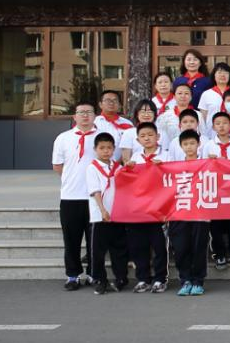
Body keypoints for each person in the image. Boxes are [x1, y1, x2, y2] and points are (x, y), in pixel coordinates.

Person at [52, 102, 99, 290]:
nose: (85, 115)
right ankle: (73, 275)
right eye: (81, 112)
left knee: (94, 241)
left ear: (95, 116)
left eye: (89, 112)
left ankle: (93, 274)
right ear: (75, 116)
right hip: (70, 196)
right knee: (71, 240)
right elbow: (58, 166)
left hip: (95, 198)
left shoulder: (103, 137)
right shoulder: (63, 138)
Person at [122, 122, 169, 293]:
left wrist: (163, 168)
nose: (147, 138)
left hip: (158, 209)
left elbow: (174, 179)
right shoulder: (135, 158)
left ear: (158, 137)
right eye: (143, 136)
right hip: (139, 210)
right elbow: (127, 182)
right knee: (138, 245)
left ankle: (160, 278)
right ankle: (143, 278)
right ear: (137, 140)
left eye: (150, 135)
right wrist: (127, 170)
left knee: (159, 246)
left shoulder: (166, 156)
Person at [170, 129, 212, 296]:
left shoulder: (207, 163)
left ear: (198, 144)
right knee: (180, 247)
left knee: (198, 247)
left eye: (192, 143)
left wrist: (216, 162)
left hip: (200, 212)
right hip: (179, 212)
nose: (189, 147)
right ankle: (185, 279)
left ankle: (198, 281)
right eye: (185, 144)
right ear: (181, 146)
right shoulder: (174, 166)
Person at [86, 133, 126, 295]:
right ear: (95, 149)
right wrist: (103, 210)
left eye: (109, 148)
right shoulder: (92, 168)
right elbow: (95, 191)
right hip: (100, 215)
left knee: (119, 249)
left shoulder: (118, 167)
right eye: (102, 148)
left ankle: (121, 278)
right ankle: (100, 280)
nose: (105, 151)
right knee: (98, 250)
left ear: (114, 149)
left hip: (117, 214)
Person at [196, 62, 230, 136]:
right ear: (214, 75)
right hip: (211, 134)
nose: (223, 75)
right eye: (219, 72)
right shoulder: (206, 94)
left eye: (226, 73)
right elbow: (203, 118)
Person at [120, 99, 162, 164]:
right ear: (137, 114)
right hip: (137, 168)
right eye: (142, 112)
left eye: (149, 111)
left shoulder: (162, 133)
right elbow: (126, 159)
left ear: (155, 114)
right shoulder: (128, 133)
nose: (146, 115)